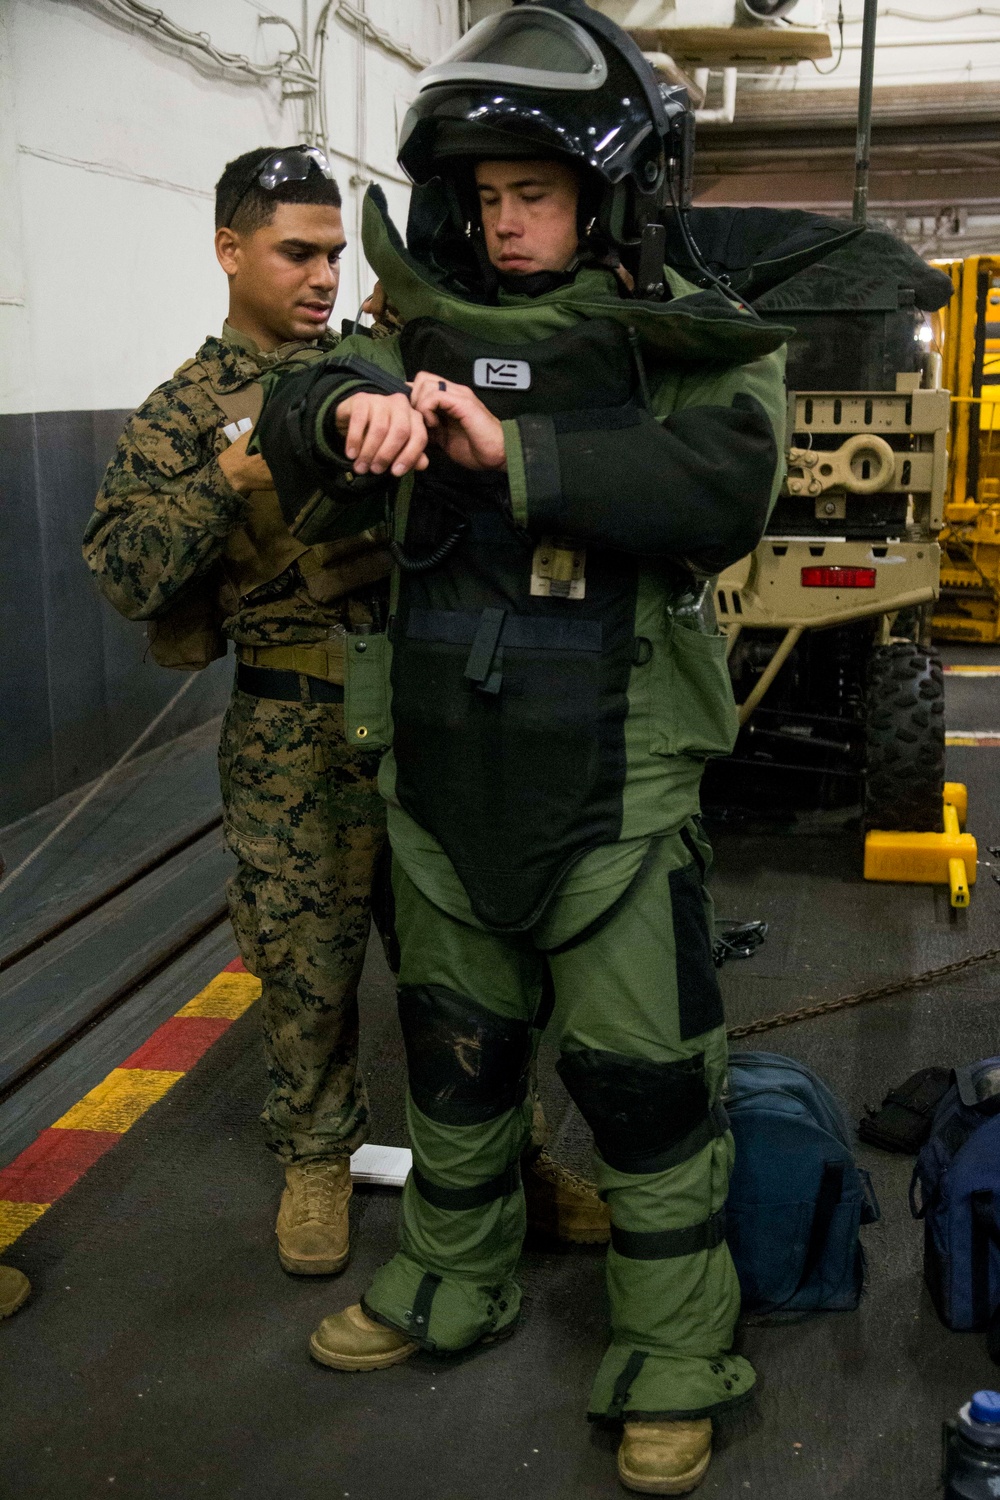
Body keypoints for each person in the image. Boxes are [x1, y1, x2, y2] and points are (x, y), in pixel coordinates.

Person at [253, 4, 789, 1487]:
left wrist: (519, 453)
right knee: (458, 1057)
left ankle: (676, 1351)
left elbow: (725, 479)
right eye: (486, 197)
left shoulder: (692, 334)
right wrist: (359, 405)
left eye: (535, 193)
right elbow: (294, 397)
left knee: (642, 1081)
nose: (505, 224)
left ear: (609, 193)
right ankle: (448, 1277)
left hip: (614, 786)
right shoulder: (407, 331)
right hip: (442, 776)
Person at [83, 142, 601, 1277]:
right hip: (289, 732)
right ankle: (316, 1159)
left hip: (426, 715)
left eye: (332, 254)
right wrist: (232, 478)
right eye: (294, 253)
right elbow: (124, 572)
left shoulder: (380, 366)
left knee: (470, 961)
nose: (321, 276)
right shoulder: (184, 411)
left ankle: (508, 1157)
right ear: (230, 251)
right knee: (303, 970)